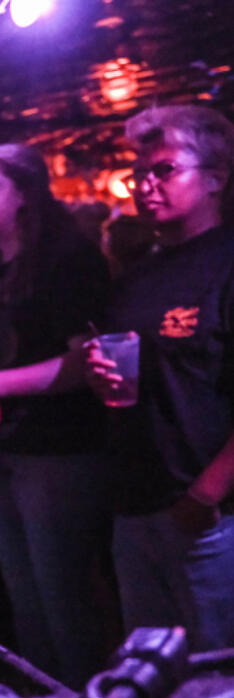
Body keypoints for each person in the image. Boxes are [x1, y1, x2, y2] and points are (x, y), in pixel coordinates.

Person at [0, 143, 110, 688]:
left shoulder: (69, 260)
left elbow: (87, 360)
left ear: (26, 193)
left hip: (54, 450)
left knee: (66, 603)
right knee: (25, 599)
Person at [85, 105, 234, 651]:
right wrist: (101, 377)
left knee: (217, 693)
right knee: (152, 683)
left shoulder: (227, 264)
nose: (145, 185)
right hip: (134, 508)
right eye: (138, 174)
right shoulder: (138, 275)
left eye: (164, 170)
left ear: (215, 178)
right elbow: (127, 367)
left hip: (207, 516)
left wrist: (206, 494)